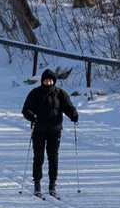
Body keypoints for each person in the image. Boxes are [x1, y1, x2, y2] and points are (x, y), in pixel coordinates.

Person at [21, 68, 79, 197]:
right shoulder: (35, 93)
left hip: (55, 130)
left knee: (53, 157)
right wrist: (31, 116)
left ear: (54, 81)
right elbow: (26, 109)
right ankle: (37, 183)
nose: (48, 83)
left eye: (51, 81)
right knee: (39, 157)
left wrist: (73, 114)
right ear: (42, 81)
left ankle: (52, 184)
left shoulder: (60, 94)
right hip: (39, 130)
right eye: (46, 81)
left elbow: (68, 106)